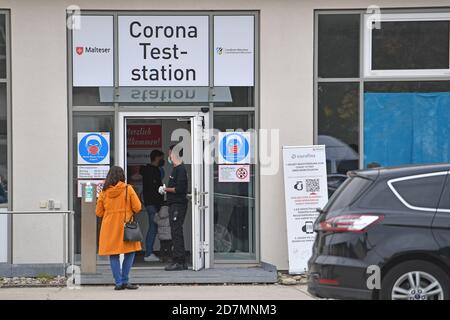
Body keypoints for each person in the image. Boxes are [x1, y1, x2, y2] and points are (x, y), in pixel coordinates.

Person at [96, 166, 142, 290]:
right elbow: (138, 207)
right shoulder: (128, 189)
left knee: (114, 255)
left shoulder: (104, 192)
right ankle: (125, 280)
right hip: (125, 226)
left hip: (109, 227)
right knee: (130, 253)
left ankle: (118, 283)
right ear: (122, 176)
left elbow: (99, 213)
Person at [160, 144, 188, 271]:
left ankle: (180, 261)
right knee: (175, 232)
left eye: (170, 153)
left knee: (177, 232)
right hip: (173, 204)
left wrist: (165, 189)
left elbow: (180, 189)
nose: (169, 156)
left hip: (178, 204)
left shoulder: (181, 169)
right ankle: (177, 258)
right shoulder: (175, 169)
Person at [140, 150, 165, 262]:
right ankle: (148, 253)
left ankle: (149, 253)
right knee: (153, 228)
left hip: (150, 203)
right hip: (153, 204)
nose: (163, 160)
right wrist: (158, 205)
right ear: (156, 158)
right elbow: (154, 190)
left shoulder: (148, 170)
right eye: (161, 158)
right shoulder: (153, 171)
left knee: (153, 228)